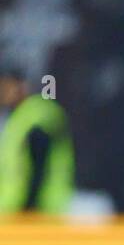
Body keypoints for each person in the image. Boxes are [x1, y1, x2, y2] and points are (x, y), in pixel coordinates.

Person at [0, 67, 74, 215]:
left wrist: (29, 208)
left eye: (6, 86)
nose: (3, 93)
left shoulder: (39, 116)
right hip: (16, 211)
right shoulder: (19, 116)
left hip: (39, 211)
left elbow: (39, 168)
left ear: (22, 86)